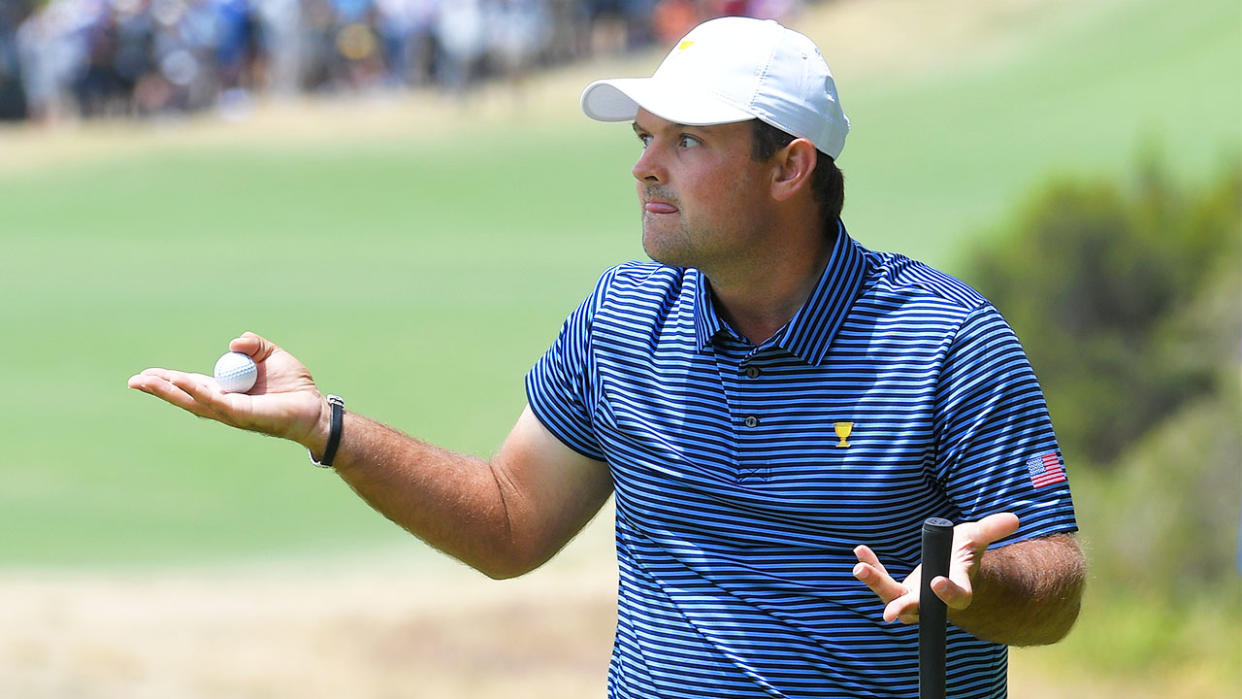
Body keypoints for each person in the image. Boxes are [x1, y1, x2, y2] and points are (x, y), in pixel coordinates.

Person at [129, 17, 1085, 698]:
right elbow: (510, 523)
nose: (644, 165)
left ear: (790, 167)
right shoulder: (623, 321)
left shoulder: (946, 343)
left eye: (686, 141)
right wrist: (327, 426)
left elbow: (1057, 583)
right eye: (643, 137)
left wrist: (977, 584)